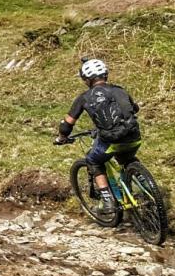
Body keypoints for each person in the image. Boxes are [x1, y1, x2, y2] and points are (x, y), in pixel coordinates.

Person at [54, 58, 141, 213]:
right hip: (134, 137)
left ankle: (108, 201)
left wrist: (61, 138)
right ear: (105, 75)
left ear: (86, 80)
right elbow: (135, 109)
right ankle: (147, 186)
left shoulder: (84, 98)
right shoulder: (120, 90)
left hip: (110, 141)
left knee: (93, 161)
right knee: (127, 157)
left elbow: (67, 124)